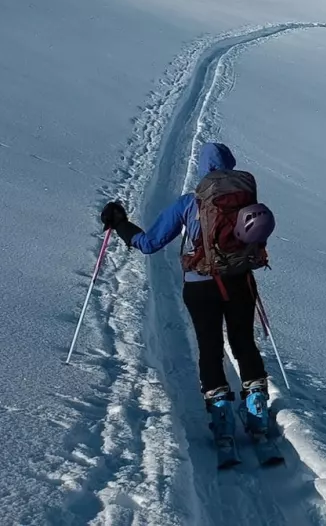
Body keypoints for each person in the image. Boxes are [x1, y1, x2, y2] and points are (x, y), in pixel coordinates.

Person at [99, 141, 276, 444]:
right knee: (244, 341)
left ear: (202, 169)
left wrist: (121, 224)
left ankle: (221, 417)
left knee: (209, 345)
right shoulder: (246, 199)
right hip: (240, 282)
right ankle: (257, 407)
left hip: (200, 286)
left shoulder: (189, 203)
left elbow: (149, 244)